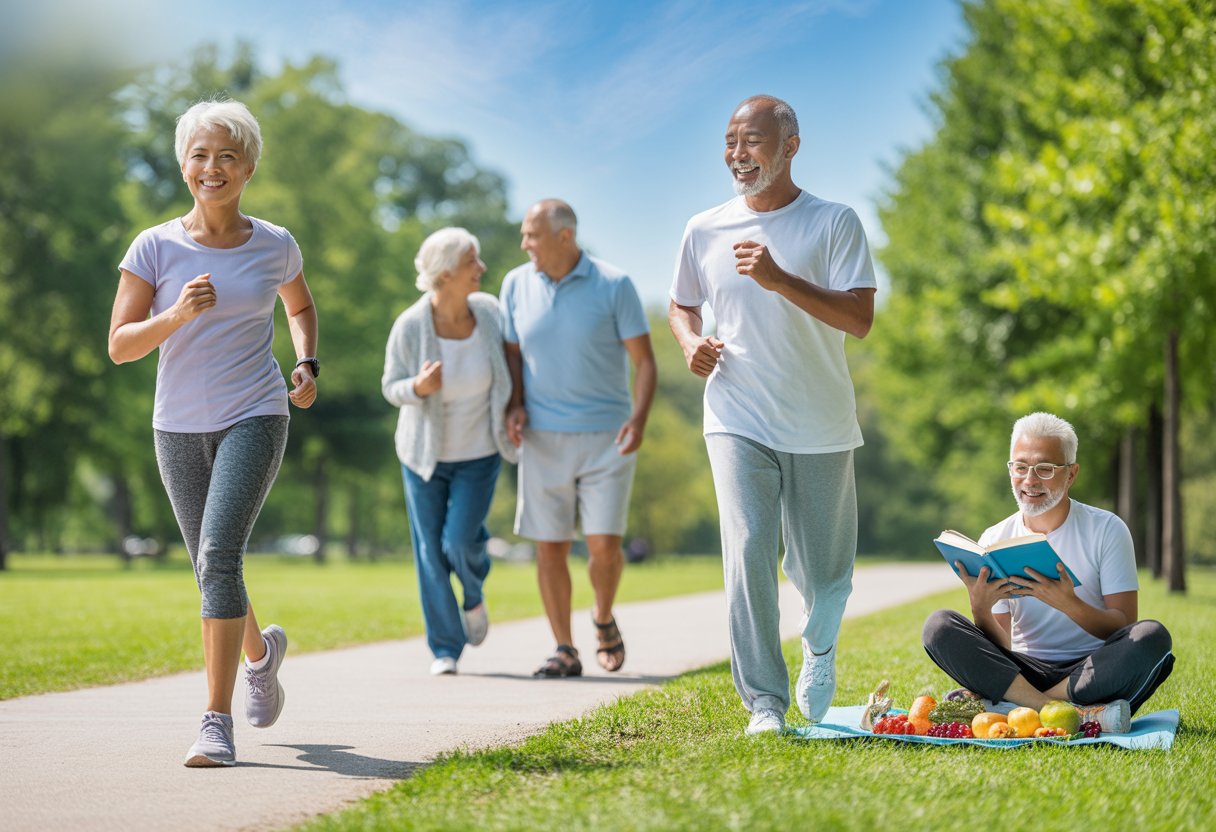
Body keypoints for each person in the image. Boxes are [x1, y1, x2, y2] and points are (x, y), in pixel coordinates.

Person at [108, 99, 319, 766]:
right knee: (212, 565)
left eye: (227, 155)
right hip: (176, 425)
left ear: (249, 166)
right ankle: (261, 656)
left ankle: (214, 722)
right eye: (200, 154)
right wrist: (175, 315)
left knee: (218, 557)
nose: (213, 167)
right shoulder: (154, 246)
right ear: (183, 165)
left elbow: (301, 304)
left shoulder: (275, 243)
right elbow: (119, 345)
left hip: (256, 412)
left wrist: (306, 361)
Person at [668, 95, 877, 736]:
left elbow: (860, 319)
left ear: (790, 146)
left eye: (752, 141)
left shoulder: (835, 222)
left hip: (818, 419)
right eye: (731, 142)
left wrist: (782, 279)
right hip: (735, 411)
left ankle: (819, 645)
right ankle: (765, 702)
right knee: (751, 548)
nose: (737, 154)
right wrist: (689, 344)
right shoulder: (704, 228)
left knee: (821, 573)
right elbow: (682, 304)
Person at [922, 413, 1174, 732]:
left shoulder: (1107, 529)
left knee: (1152, 636)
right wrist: (980, 608)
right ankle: (1054, 711)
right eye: (1020, 467)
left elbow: (1123, 626)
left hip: (1091, 672)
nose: (1030, 480)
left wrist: (1069, 603)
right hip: (1021, 673)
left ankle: (1013, 707)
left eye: (1044, 469)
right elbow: (1002, 646)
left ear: (1071, 474)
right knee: (939, 626)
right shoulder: (994, 538)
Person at [500, 199, 657, 678]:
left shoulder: (614, 284)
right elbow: (512, 352)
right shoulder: (515, 284)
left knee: (604, 545)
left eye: (532, 234)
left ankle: (603, 616)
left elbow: (645, 362)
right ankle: (563, 648)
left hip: (607, 437)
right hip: (543, 437)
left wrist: (640, 418)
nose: (524, 243)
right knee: (549, 546)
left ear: (564, 236)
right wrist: (515, 403)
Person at [382, 227, 518, 676]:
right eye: (471, 262)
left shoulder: (490, 313)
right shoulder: (411, 325)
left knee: (459, 541)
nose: (481, 269)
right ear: (444, 275)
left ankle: (473, 596)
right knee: (430, 552)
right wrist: (417, 387)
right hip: (423, 456)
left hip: (479, 453)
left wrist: (517, 409)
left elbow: (513, 368)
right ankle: (445, 647)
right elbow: (391, 387)